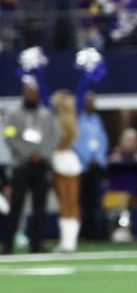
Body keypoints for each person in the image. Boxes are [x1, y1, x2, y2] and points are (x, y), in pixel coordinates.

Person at [2, 77, 60, 254]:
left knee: (39, 207)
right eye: (29, 92)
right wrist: (28, 154)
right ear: (23, 93)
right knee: (16, 207)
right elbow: (10, 136)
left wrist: (40, 154)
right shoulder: (13, 114)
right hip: (21, 165)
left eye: (34, 93)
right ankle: (8, 244)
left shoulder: (46, 115)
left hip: (41, 165)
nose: (32, 95)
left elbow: (54, 137)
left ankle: (36, 244)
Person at [73, 91, 108, 240]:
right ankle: (83, 233)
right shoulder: (77, 120)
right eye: (88, 101)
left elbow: (103, 140)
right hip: (82, 166)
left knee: (95, 201)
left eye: (92, 101)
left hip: (96, 166)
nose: (90, 104)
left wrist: (98, 157)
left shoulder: (97, 119)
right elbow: (76, 142)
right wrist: (87, 158)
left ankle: (95, 233)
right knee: (81, 201)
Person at [50, 90, 82, 252]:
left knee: (64, 203)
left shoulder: (55, 122)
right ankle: (71, 242)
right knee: (73, 203)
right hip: (72, 159)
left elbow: (52, 143)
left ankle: (66, 242)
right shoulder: (72, 121)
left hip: (59, 160)